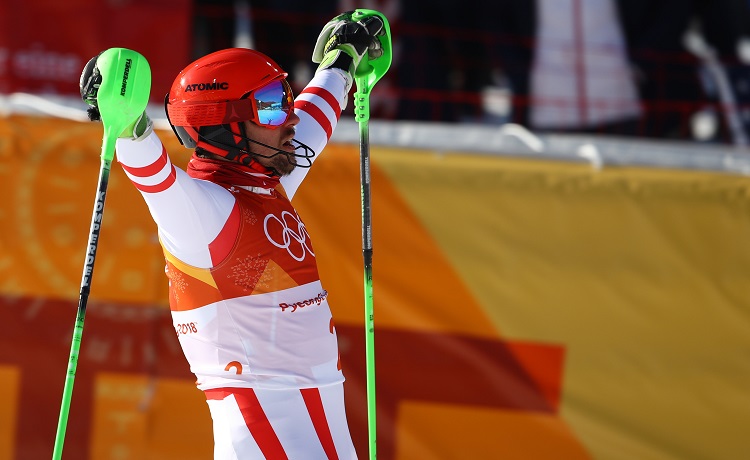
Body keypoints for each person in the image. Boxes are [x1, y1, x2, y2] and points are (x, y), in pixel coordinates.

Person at [79, 11, 385, 460]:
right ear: (226, 125)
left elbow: (315, 119)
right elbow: (155, 178)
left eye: (287, 96)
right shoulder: (207, 215)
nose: (291, 118)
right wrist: (125, 126)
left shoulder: (262, 181)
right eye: (273, 105)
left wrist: (340, 63)